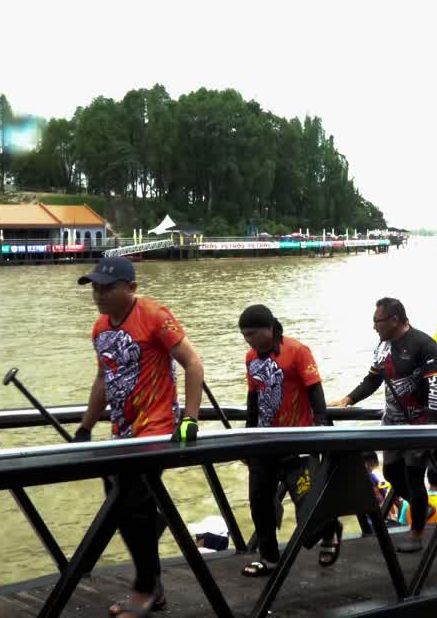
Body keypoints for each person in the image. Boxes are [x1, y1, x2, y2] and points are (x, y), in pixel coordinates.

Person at [73, 256, 206, 617]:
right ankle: (154, 561)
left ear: (130, 288)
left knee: (129, 498)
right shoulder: (100, 328)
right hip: (122, 430)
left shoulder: (154, 315)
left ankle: (146, 589)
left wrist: (190, 420)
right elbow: (103, 379)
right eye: (95, 287)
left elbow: (193, 363)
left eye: (107, 287)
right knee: (119, 497)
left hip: (157, 426)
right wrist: (85, 426)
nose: (99, 294)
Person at [331, 297, 437, 554]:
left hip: (418, 423)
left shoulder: (425, 346)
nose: (374, 327)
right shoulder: (383, 345)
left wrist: (431, 431)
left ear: (394, 320)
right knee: (392, 473)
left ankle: (416, 534)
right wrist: (348, 399)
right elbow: (372, 380)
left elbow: (435, 393)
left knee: (415, 478)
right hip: (391, 420)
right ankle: (420, 506)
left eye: (377, 321)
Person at [238, 304, 341, 576]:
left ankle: (331, 531)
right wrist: (247, 434)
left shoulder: (297, 351)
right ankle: (269, 558)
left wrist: (319, 428)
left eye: (253, 334)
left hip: (298, 442)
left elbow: (315, 390)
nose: (249, 340)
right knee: (259, 502)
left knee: (309, 504)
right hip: (263, 442)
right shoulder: (251, 357)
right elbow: (253, 398)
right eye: (245, 335)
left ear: (270, 329)